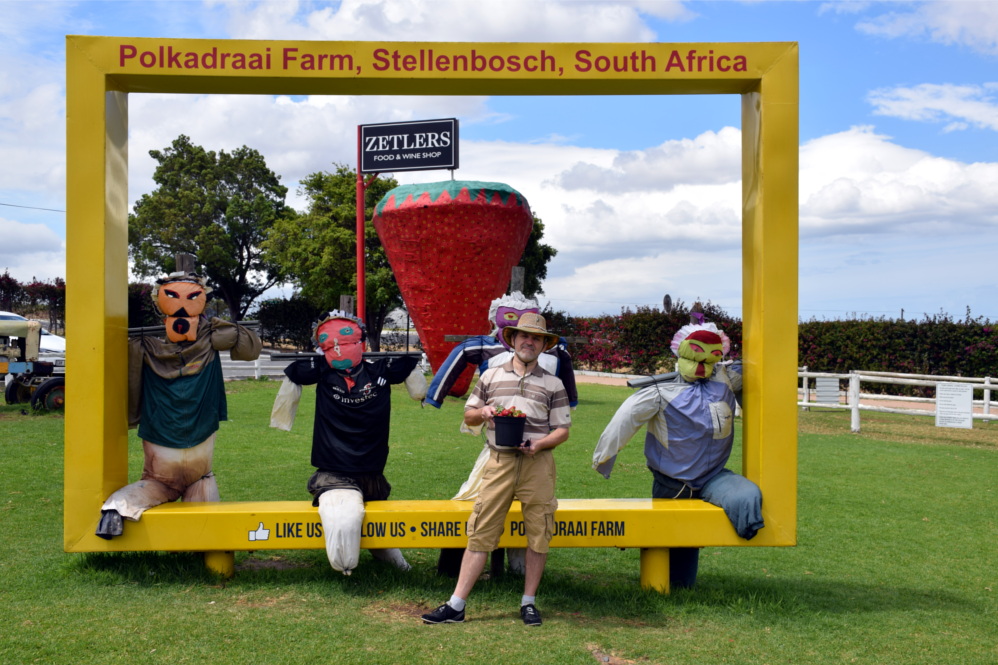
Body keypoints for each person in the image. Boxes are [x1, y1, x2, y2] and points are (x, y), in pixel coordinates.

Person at [422, 313, 571, 626]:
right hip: (498, 462)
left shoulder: (553, 383)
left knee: (539, 533)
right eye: (524, 336)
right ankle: (456, 605)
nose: (529, 342)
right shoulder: (490, 376)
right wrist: (484, 412)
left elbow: (562, 430)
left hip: (538, 465)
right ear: (513, 340)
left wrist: (540, 444)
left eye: (536, 338)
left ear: (544, 345)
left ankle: (528, 603)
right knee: (480, 531)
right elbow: (469, 414)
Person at [592, 320, 764, 588]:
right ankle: (664, 585)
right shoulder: (661, 392)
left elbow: (756, 370)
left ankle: (682, 583)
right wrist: (604, 458)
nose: (700, 367)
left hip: (714, 476)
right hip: (672, 481)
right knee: (667, 533)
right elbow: (625, 420)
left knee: (746, 497)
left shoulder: (724, 382)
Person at [96, 270, 262, 539]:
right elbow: (245, 344)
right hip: (190, 466)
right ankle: (120, 508)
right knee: (188, 495)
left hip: (181, 467)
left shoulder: (148, 348)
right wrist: (214, 325)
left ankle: (118, 507)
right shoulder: (159, 346)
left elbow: (245, 347)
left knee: (170, 491)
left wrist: (210, 326)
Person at [270, 310, 426, 575]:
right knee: (343, 515)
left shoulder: (379, 370)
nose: (339, 349)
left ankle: (392, 562)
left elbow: (416, 383)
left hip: (372, 471)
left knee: (373, 520)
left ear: (360, 342)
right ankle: (346, 563)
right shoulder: (322, 370)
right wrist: (283, 417)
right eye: (330, 344)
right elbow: (296, 375)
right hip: (334, 471)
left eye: (346, 340)